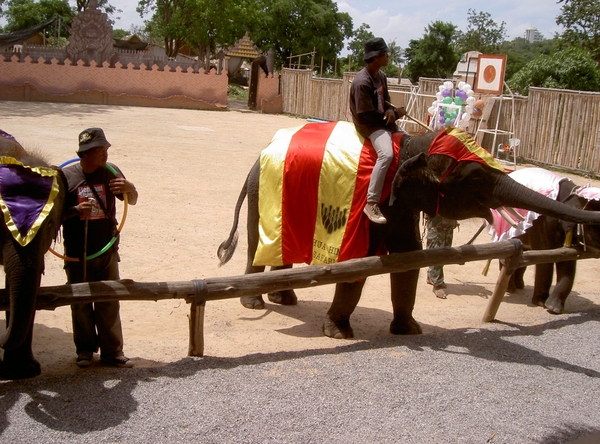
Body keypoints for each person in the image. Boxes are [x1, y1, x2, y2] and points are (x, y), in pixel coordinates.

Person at [62, 128, 138, 368]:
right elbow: (54, 216)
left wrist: (130, 188)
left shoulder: (111, 172)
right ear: (85, 153)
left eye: (106, 149)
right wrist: (75, 211)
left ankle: (113, 351)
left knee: (109, 300)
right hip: (77, 252)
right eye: (100, 150)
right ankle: (85, 350)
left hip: (106, 250)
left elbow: (132, 200)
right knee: (80, 302)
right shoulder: (66, 177)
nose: (106, 154)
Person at [349, 37, 406, 224]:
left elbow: (386, 102)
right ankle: (371, 201)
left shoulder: (380, 76)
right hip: (370, 125)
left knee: (407, 143)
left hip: (382, 121)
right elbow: (365, 115)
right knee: (386, 155)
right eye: (384, 54)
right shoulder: (361, 82)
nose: (388, 56)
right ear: (375, 57)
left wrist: (391, 111)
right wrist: (395, 116)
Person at [425, 214, 458, 299]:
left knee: (446, 251)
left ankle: (431, 276)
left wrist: (455, 218)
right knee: (437, 252)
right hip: (436, 219)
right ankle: (437, 284)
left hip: (449, 218)